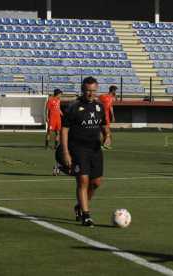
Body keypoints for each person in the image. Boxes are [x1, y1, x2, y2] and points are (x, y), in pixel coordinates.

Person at [60, 77, 112, 227]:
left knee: (96, 183)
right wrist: (66, 152)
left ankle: (80, 206)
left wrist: (108, 136)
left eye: (94, 91)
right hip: (78, 149)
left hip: (95, 148)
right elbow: (64, 130)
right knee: (83, 181)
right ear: (83, 90)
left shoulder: (99, 106)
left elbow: (104, 125)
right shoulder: (73, 106)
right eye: (88, 90)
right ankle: (86, 216)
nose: (91, 94)